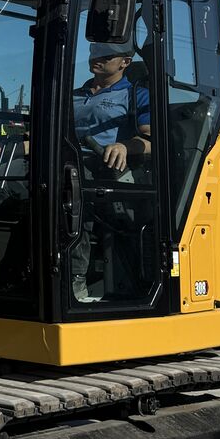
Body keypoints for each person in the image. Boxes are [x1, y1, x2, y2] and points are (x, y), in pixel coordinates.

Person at [70, 42, 151, 301]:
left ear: (125, 62)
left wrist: (124, 146)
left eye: (106, 55)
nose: (97, 58)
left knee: (71, 192)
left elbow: (152, 143)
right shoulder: (72, 93)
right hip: (63, 158)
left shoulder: (135, 95)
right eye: (94, 51)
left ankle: (75, 279)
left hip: (102, 168)